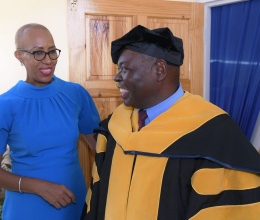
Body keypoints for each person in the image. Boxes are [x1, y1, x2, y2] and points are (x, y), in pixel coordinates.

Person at [83, 25, 260, 219]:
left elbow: (227, 211)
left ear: (159, 69)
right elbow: (97, 198)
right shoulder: (114, 127)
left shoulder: (213, 134)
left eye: (124, 69)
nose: (116, 77)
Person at [0, 23, 100, 220]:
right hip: (27, 208)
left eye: (52, 51)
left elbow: (100, 147)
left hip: (73, 203)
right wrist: (40, 187)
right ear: (19, 56)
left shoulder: (75, 94)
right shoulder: (3, 105)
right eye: (38, 53)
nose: (48, 60)